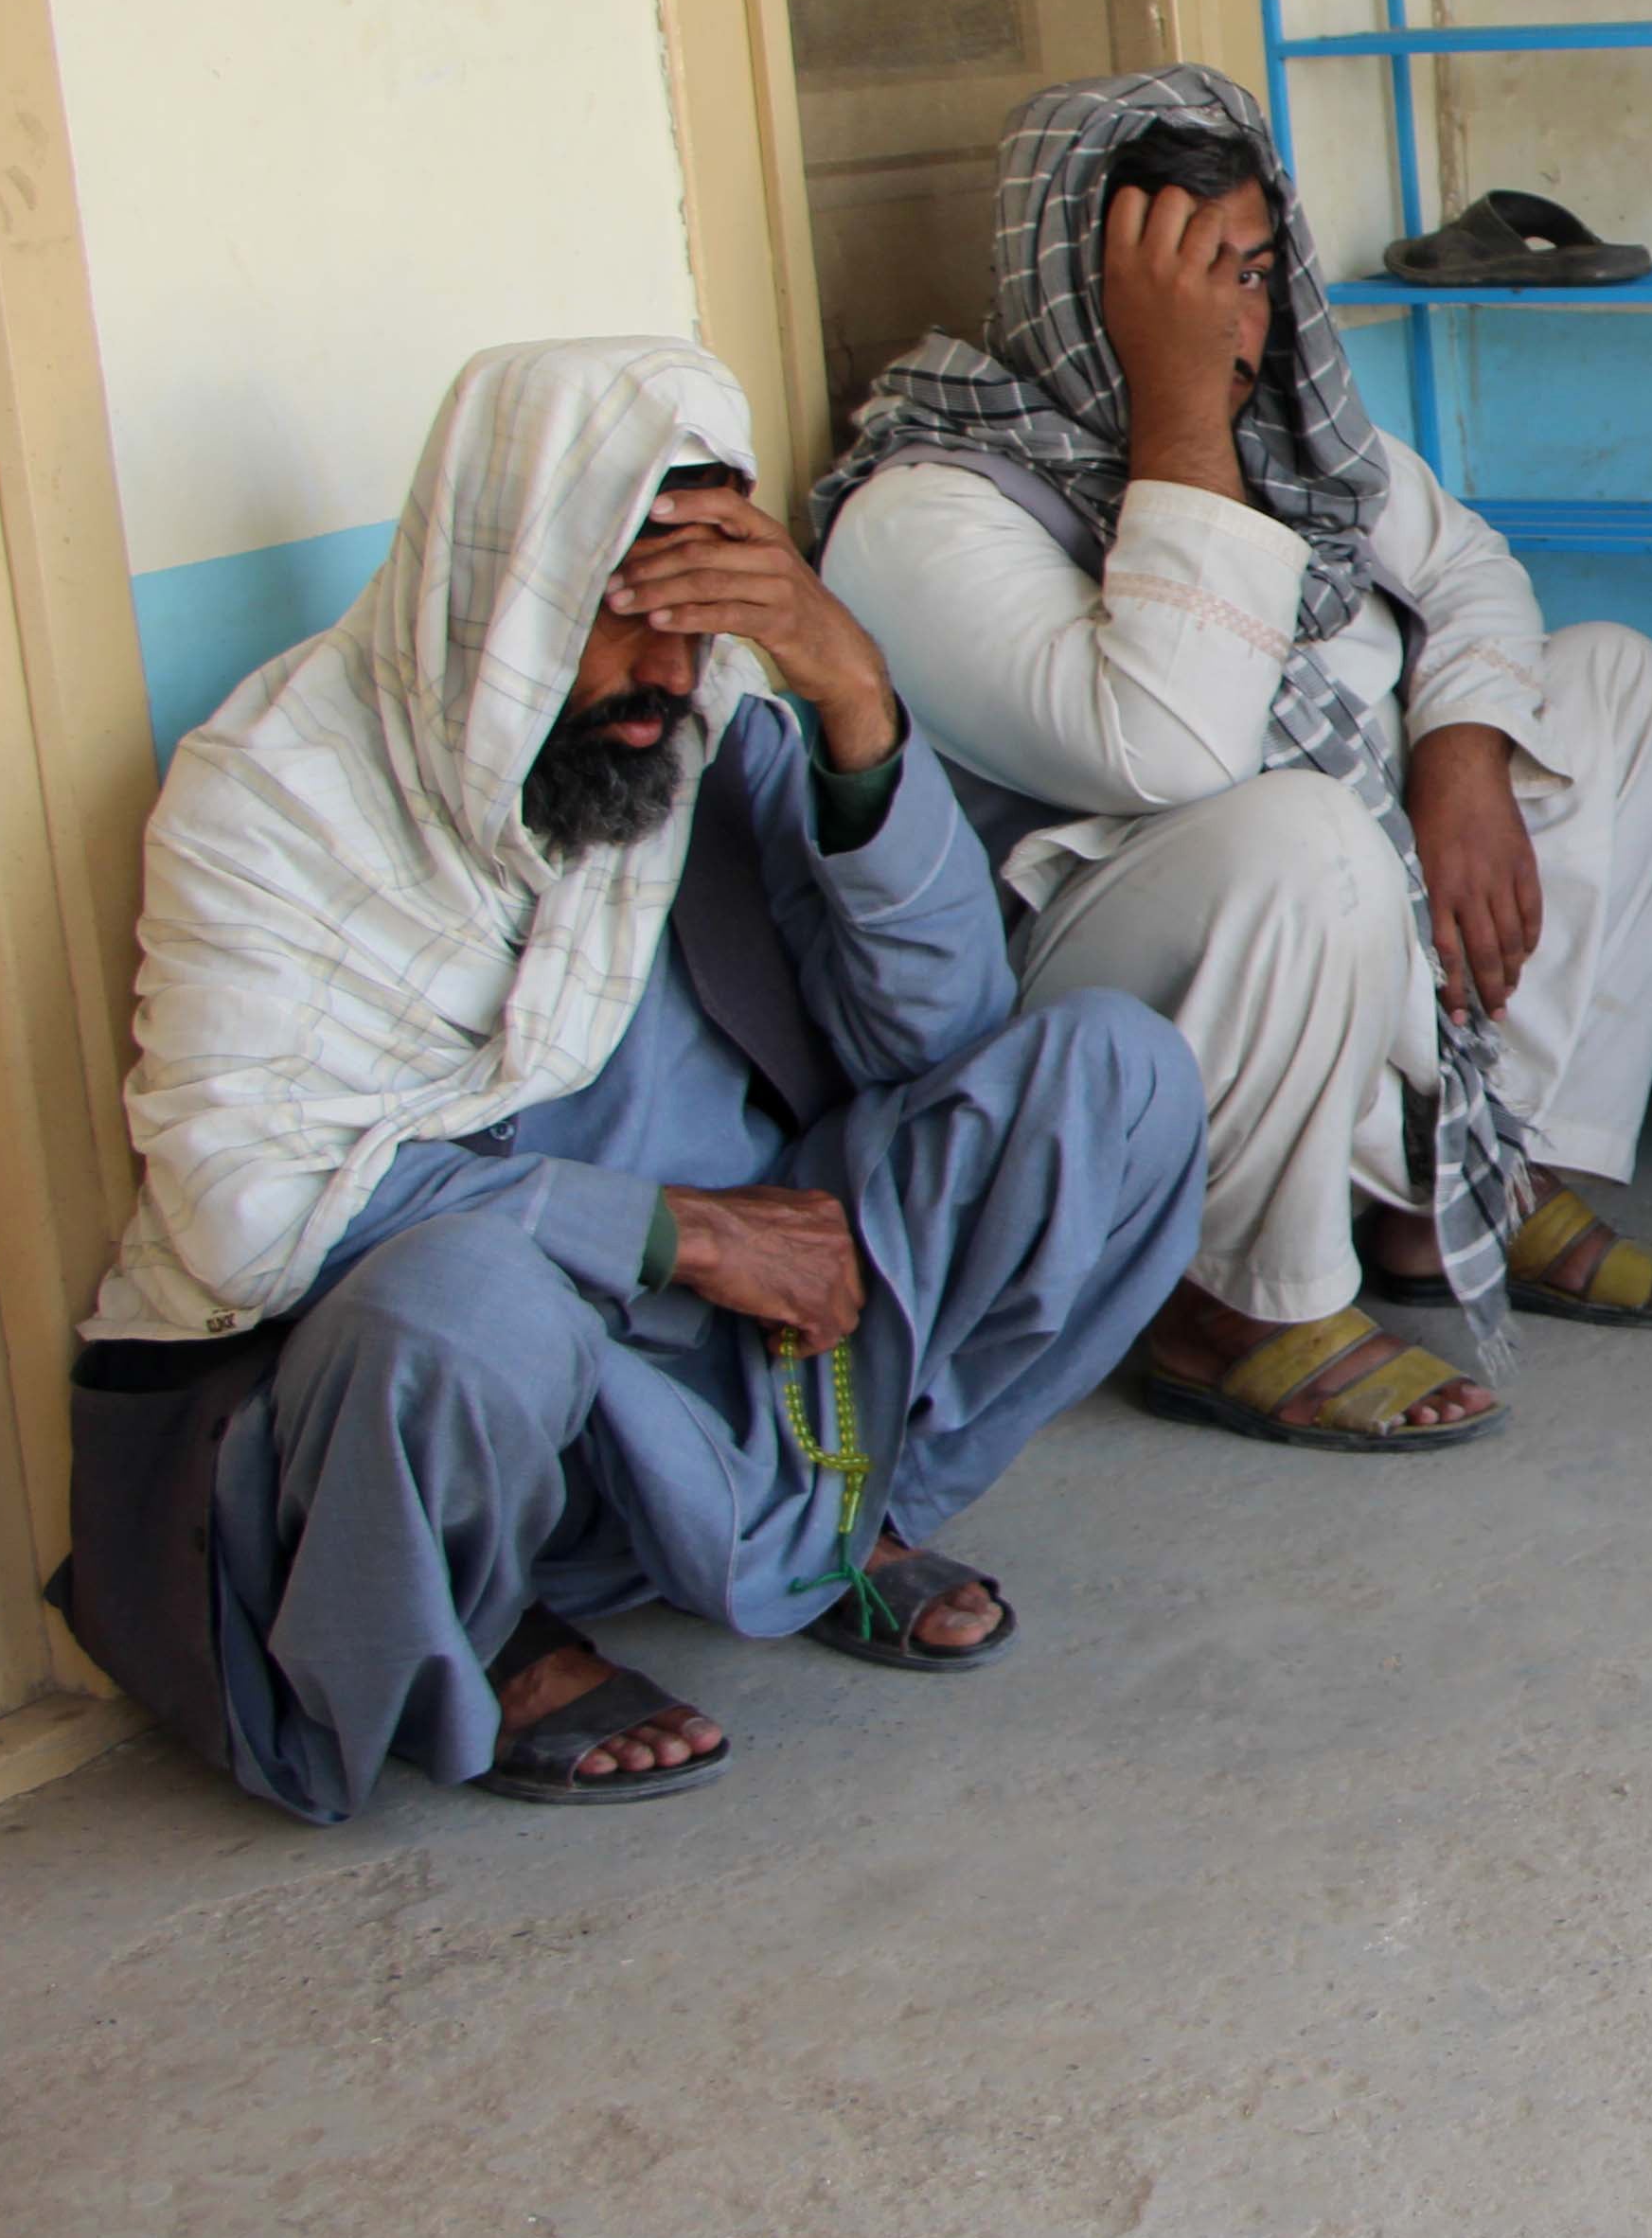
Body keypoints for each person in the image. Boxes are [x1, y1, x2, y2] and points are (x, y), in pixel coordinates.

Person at [69, 337, 1202, 1820]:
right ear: (506, 588)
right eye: (619, 615)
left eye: (699, 617)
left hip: (775, 1335)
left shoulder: (711, 736)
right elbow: (242, 1212)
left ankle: (836, 1514)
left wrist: (854, 699)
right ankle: (491, 1625)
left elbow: (939, 1036)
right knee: (456, 1310)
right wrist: (678, 1234)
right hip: (513, 1378)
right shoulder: (274, 797)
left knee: (1117, 1077)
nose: (665, 674)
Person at [814, 70, 1652, 1454]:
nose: (1238, 321)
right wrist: (1174, 408)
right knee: (1301, 835)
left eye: (1249, 270)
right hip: (1108, 993)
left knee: (1616, 687)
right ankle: (1230, 1300)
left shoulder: (1292, 424)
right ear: (1070, 283)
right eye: (1182, 283)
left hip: (1348, 898)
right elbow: (1172, 747)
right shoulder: (927, 513)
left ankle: (1466, 1187)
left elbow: (1469, 569)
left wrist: (1461, 758)